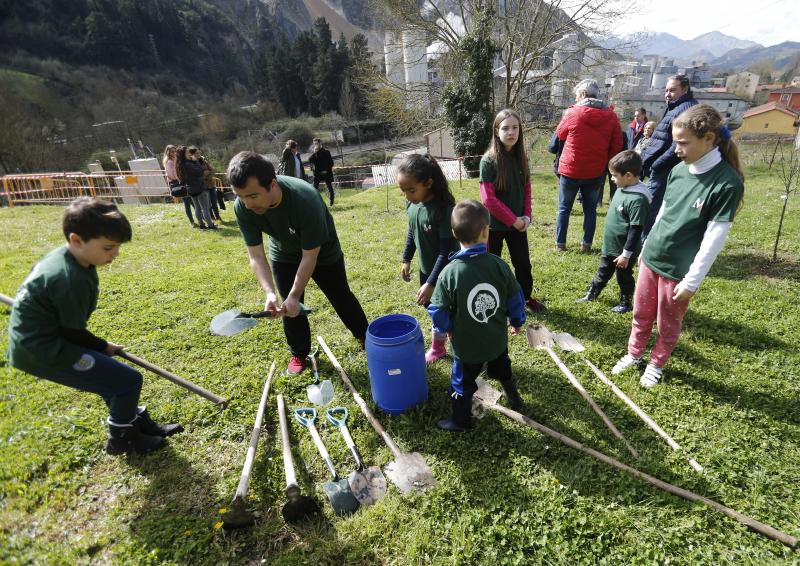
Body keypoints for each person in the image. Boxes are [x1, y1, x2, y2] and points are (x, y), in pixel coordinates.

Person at [6, 197, 183, 455]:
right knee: (127, 381)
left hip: (50, 338)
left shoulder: (71, 259)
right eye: (108, 247)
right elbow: (72, 333)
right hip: (43, 350)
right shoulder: (69, 278)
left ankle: (138, 424)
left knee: (112, 379)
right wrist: (104, 347)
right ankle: (123, 438)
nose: (116, 254)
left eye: (117, 247)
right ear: (76, 240)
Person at [611, 105, 745, 388]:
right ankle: (634, 354)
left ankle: (657, 363)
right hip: (653, 257)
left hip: (678, 270)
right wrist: (646, 248)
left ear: (709, 139)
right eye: (675, 142)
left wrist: (692, 281)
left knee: (667, 323)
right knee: (641, 313)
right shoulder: (678, 171)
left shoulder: (726, 183)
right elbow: (663, 213)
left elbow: (714, 236)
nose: (676, 149)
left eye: (683, 143)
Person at [226, 151, 369, 375]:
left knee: (340, 296)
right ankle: (299, 352)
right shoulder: (243, 207)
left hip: (322, 252)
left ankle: (366, 337)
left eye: (253, 196)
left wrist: (295, 295)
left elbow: (309, 257)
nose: (247, 203)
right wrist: (270, 293)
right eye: (240, 196)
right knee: (289, 307)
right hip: (283, 252)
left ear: (272, 185)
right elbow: (256, 256)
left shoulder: (305, 199)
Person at [428, 200, 526, 432]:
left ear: (453, 234)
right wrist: (517, 320)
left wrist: (448, 328)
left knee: (462, 382)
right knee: (503, 368)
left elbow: (438, 312)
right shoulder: (499, 265)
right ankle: (514, 398)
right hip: (496, 342)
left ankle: (460, 421)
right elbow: (515, 298)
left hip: (466, 348)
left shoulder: (448, 274)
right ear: (486, 231)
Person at [479, 108, 545, 312]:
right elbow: (488, 200)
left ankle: (524, 299)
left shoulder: (521, 157)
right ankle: (494, 303)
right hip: (494, 227)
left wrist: (526, 215)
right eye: (506, 128)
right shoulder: (488, 161)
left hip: (518, 225)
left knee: (523, 265)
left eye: (515, 127)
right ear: (496, 131)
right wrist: (513, 220)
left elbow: (526, 188)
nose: (511, 132)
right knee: (492, 267)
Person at [398, 154, 459, 364]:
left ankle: (446, 346)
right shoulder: (413, 205)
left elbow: (447, 250)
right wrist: (406, 258)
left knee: (443, 311)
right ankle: (444, 341)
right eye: (403, 191)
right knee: (434, 310)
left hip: (445, 274)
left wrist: (432, 283)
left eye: (411, 190)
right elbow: (412, 232)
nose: (407, 196)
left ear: (428, 183)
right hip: (427, 270)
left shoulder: (443, 210)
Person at [576, 150, 651, 313]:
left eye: (615, 175)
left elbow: (636, 228)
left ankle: (626, 302)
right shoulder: (622, 188)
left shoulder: (638, 199)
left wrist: (626, 254)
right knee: (603, 271)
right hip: (611, 245)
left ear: (629, 175)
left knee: (623, 277)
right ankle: (591, 294)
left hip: (623, 250)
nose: (612, 178)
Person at [554, 79, 623, 252]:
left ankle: (560, 244)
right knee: (590, 209)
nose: (575, 99)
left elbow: (560, 134)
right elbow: (617, 145)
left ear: (583, 94)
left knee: (564, 208)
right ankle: (586, 244)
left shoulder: (572, 113)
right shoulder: (612, 116)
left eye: (576, 95)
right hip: (595, 171)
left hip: (571, 169)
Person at [641, 74, 698, 238]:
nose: (667, 94)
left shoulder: (686, 109)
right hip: (660, 168)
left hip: (665, 169)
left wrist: (656, 164)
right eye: (666, 90)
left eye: (672, 90)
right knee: (653, 207)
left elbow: (677, 145)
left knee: (651, 208)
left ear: (685, 89)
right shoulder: (675, 107)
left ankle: (645, 243)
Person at [177, 146, 216, 230]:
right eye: (188, 152)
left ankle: (201, 225)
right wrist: (196, 161)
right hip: (198, 187)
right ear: (184, 154)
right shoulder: (188, 164)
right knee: (205, 208)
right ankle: (210, 225)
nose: (190, 154)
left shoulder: (181, 164)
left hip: (191, 189)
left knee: (197, 208)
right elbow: (201, 170)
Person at [164, 145, 196, 227]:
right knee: (187, 202)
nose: (174, 153)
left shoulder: (177, 160)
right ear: (168, 152)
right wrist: (180, 177)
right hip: (178, 184)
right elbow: (171, 175)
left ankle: (199, 218)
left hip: (182, 182)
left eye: (175, 151)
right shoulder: (169, 162)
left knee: (191, 201)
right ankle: (193, 221)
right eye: (172, 151)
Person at [309, 138, 336, 206]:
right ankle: (316, 203)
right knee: (314, 188)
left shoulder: (326, 152)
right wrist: (315, 153)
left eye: (316, 143)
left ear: (320, 143)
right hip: (318, 174)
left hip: (326, 173)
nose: (315, 145)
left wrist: (326, 170)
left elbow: (331, 163)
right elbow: (310, 160)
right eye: (314, 144)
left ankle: (331, 202)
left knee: (329, 188)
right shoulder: (315, 153)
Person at [199, 153, 222, 222]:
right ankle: (212, 217)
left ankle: (218, 217)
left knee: (214, 202)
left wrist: (207, 174)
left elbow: (212, 171)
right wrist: (205, 175)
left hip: (211, 185)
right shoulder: (194, 164)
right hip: (203, 187)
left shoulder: (205, 162)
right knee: (208, 204)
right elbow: (198, 177)